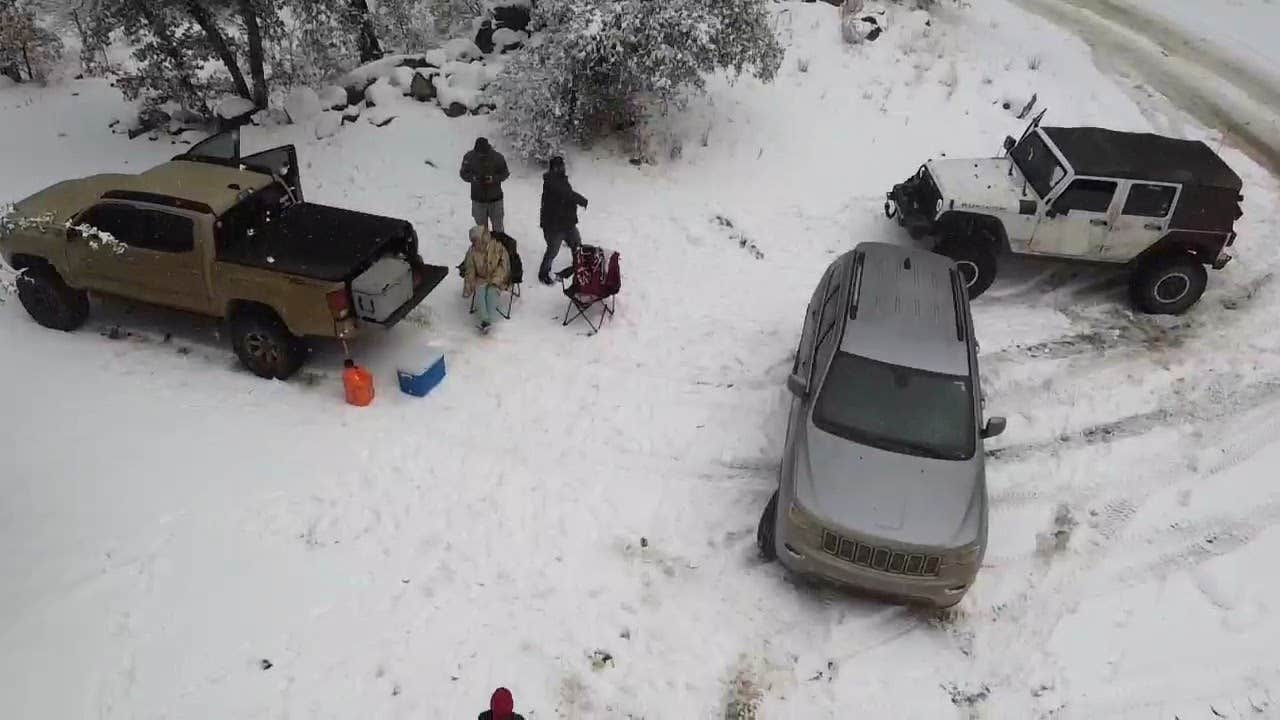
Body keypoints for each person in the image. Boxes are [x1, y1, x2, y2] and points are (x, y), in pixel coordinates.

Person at [538, 155, 588, 285]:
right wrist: (581, 200)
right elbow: (566, 194)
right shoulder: (550, 182)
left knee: (577, 245)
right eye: (559, 167)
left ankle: (578, 266)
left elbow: (567, 196)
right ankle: (543, 274)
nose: (562, 168)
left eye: (562, 166)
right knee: (552, 251)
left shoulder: (562, 180)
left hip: (567, 223)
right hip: (554, 226)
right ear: (553, 168)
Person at [462, 225, 510, 333]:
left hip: (497, 279)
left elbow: (504, 266)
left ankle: (489, 320)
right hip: (481, 279)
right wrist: (470, 285)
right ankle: (485, 321)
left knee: (491, 293)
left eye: (475, 240)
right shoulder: (472, 252)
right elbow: (470, 269)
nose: (474, 243)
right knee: (479, 293)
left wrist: (495, 280)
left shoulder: (498, 248)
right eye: (472, 241)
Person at [460, 137, 510, 234]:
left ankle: (498, 248)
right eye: (479, 154)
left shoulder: (497, 157)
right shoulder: (469, 157)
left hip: (495, 200)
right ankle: (485, 248)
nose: (482, 155)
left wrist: (493, 179)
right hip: (478, 200)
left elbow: (505, 173)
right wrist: (474, 178)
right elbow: (463, 173)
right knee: (482, 231)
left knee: (498, 229)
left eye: (484, 154)